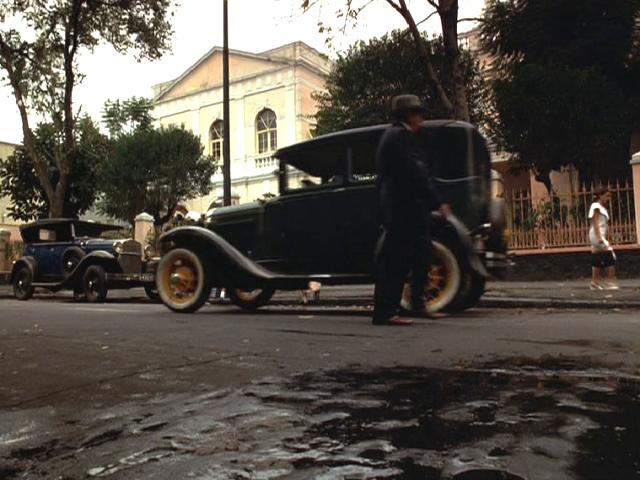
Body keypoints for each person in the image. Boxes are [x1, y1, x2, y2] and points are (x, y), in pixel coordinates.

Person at [372, 94, 451, 326]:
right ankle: (385, 312)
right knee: (396, 262)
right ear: (408, 116)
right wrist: (438, 201)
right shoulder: (400, 137)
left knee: (421, 257)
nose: (422, 119)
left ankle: (416, 304)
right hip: (403, 210)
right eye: (418, 114)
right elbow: (417, 173)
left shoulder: (395, 135)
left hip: (407, 210)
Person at [588, 187, 619, 290]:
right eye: (607, 196)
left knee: (597, 258)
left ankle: (595, 283)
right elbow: (596, 223)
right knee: (610, 256)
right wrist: (600, 237)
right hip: (597, 235)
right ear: (600, 196)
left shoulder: (603, 209)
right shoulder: (595, 206)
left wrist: (609, 235)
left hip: (600, 235)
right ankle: (611, 283)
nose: (608, 198)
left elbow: (605, 224)